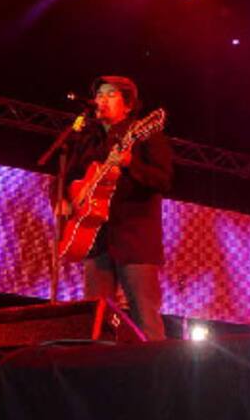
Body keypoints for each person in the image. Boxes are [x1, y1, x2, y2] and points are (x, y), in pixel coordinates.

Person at [60, 75, 173, 340]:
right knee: (95, 318)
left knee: (145, 315)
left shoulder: (145, 134)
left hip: (133, 239)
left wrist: (130, 164)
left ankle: (156, 364)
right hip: (95, 239)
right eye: (99, 95)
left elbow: (163, 180)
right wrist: (64, 200)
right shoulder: (88, 139)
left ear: (128, 105)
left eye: (111, 94)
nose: (102, 99)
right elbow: (66, 176)